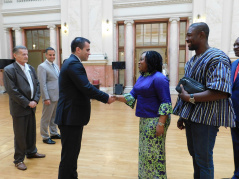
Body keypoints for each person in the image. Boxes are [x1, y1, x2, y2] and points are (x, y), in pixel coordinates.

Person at [173, 22, 236, 179]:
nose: (186, 39)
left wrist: (189, 98)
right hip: (191, 118)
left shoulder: (217, 57)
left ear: (201, 34)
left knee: (204, 160)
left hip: (206, 119)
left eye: (189, 35)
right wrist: (183, 116)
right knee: (195, 157)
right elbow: (187, 87)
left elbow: (221, 91)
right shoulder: (191, 61)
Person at [55, 37, 115, 179]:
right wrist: (106, 98)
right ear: (78, 49)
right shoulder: (73, 64)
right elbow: (86, 88)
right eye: (87, 50)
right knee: (69, 156)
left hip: (71, 116)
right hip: (70, 117)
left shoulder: (72, 63)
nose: (89, 53)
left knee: (72, 155)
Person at [115, 51, 172, 179]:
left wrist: (161, 124)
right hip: (145, 119)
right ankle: (145, 175)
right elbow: (131, 96)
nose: (139, 62)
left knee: (155, 152)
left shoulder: (159, 78)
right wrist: (115, 98)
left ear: (151, 62)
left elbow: (166, 102)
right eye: (139, 59)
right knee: (145, 151)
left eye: (142, 60)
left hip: (156, 119)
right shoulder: (142, 77)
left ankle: (157, 176)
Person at [3, 46, 45, 171]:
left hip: (32, 106)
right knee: (20, 134)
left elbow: (37, 84)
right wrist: (27, 102)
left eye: (27, 54)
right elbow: (12, 90)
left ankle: (31, 151)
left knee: (31, 131)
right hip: (20, 107)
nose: (26, 56)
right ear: (15, 55)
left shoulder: (30, 68)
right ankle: (18, 160)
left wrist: (36, 99)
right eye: (23, 54)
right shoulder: (9, 70)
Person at [37, 47, 61, 144]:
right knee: (46, 117)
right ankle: (45, 136)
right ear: (46, 55)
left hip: (57, 95)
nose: (52, 56)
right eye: (50, 55)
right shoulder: (42, 66)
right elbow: (42, 84)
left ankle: (54, 133)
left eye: (53, 55)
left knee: (54, 116)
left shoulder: (56, 66)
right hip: (49, 97)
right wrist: (45, 98)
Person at [231, 37, 239, 179]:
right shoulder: (234, 64)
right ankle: (237, 174)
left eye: (238, 44)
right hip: (235, 115)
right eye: (234, 44)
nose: (235, 47)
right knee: (236, 146)